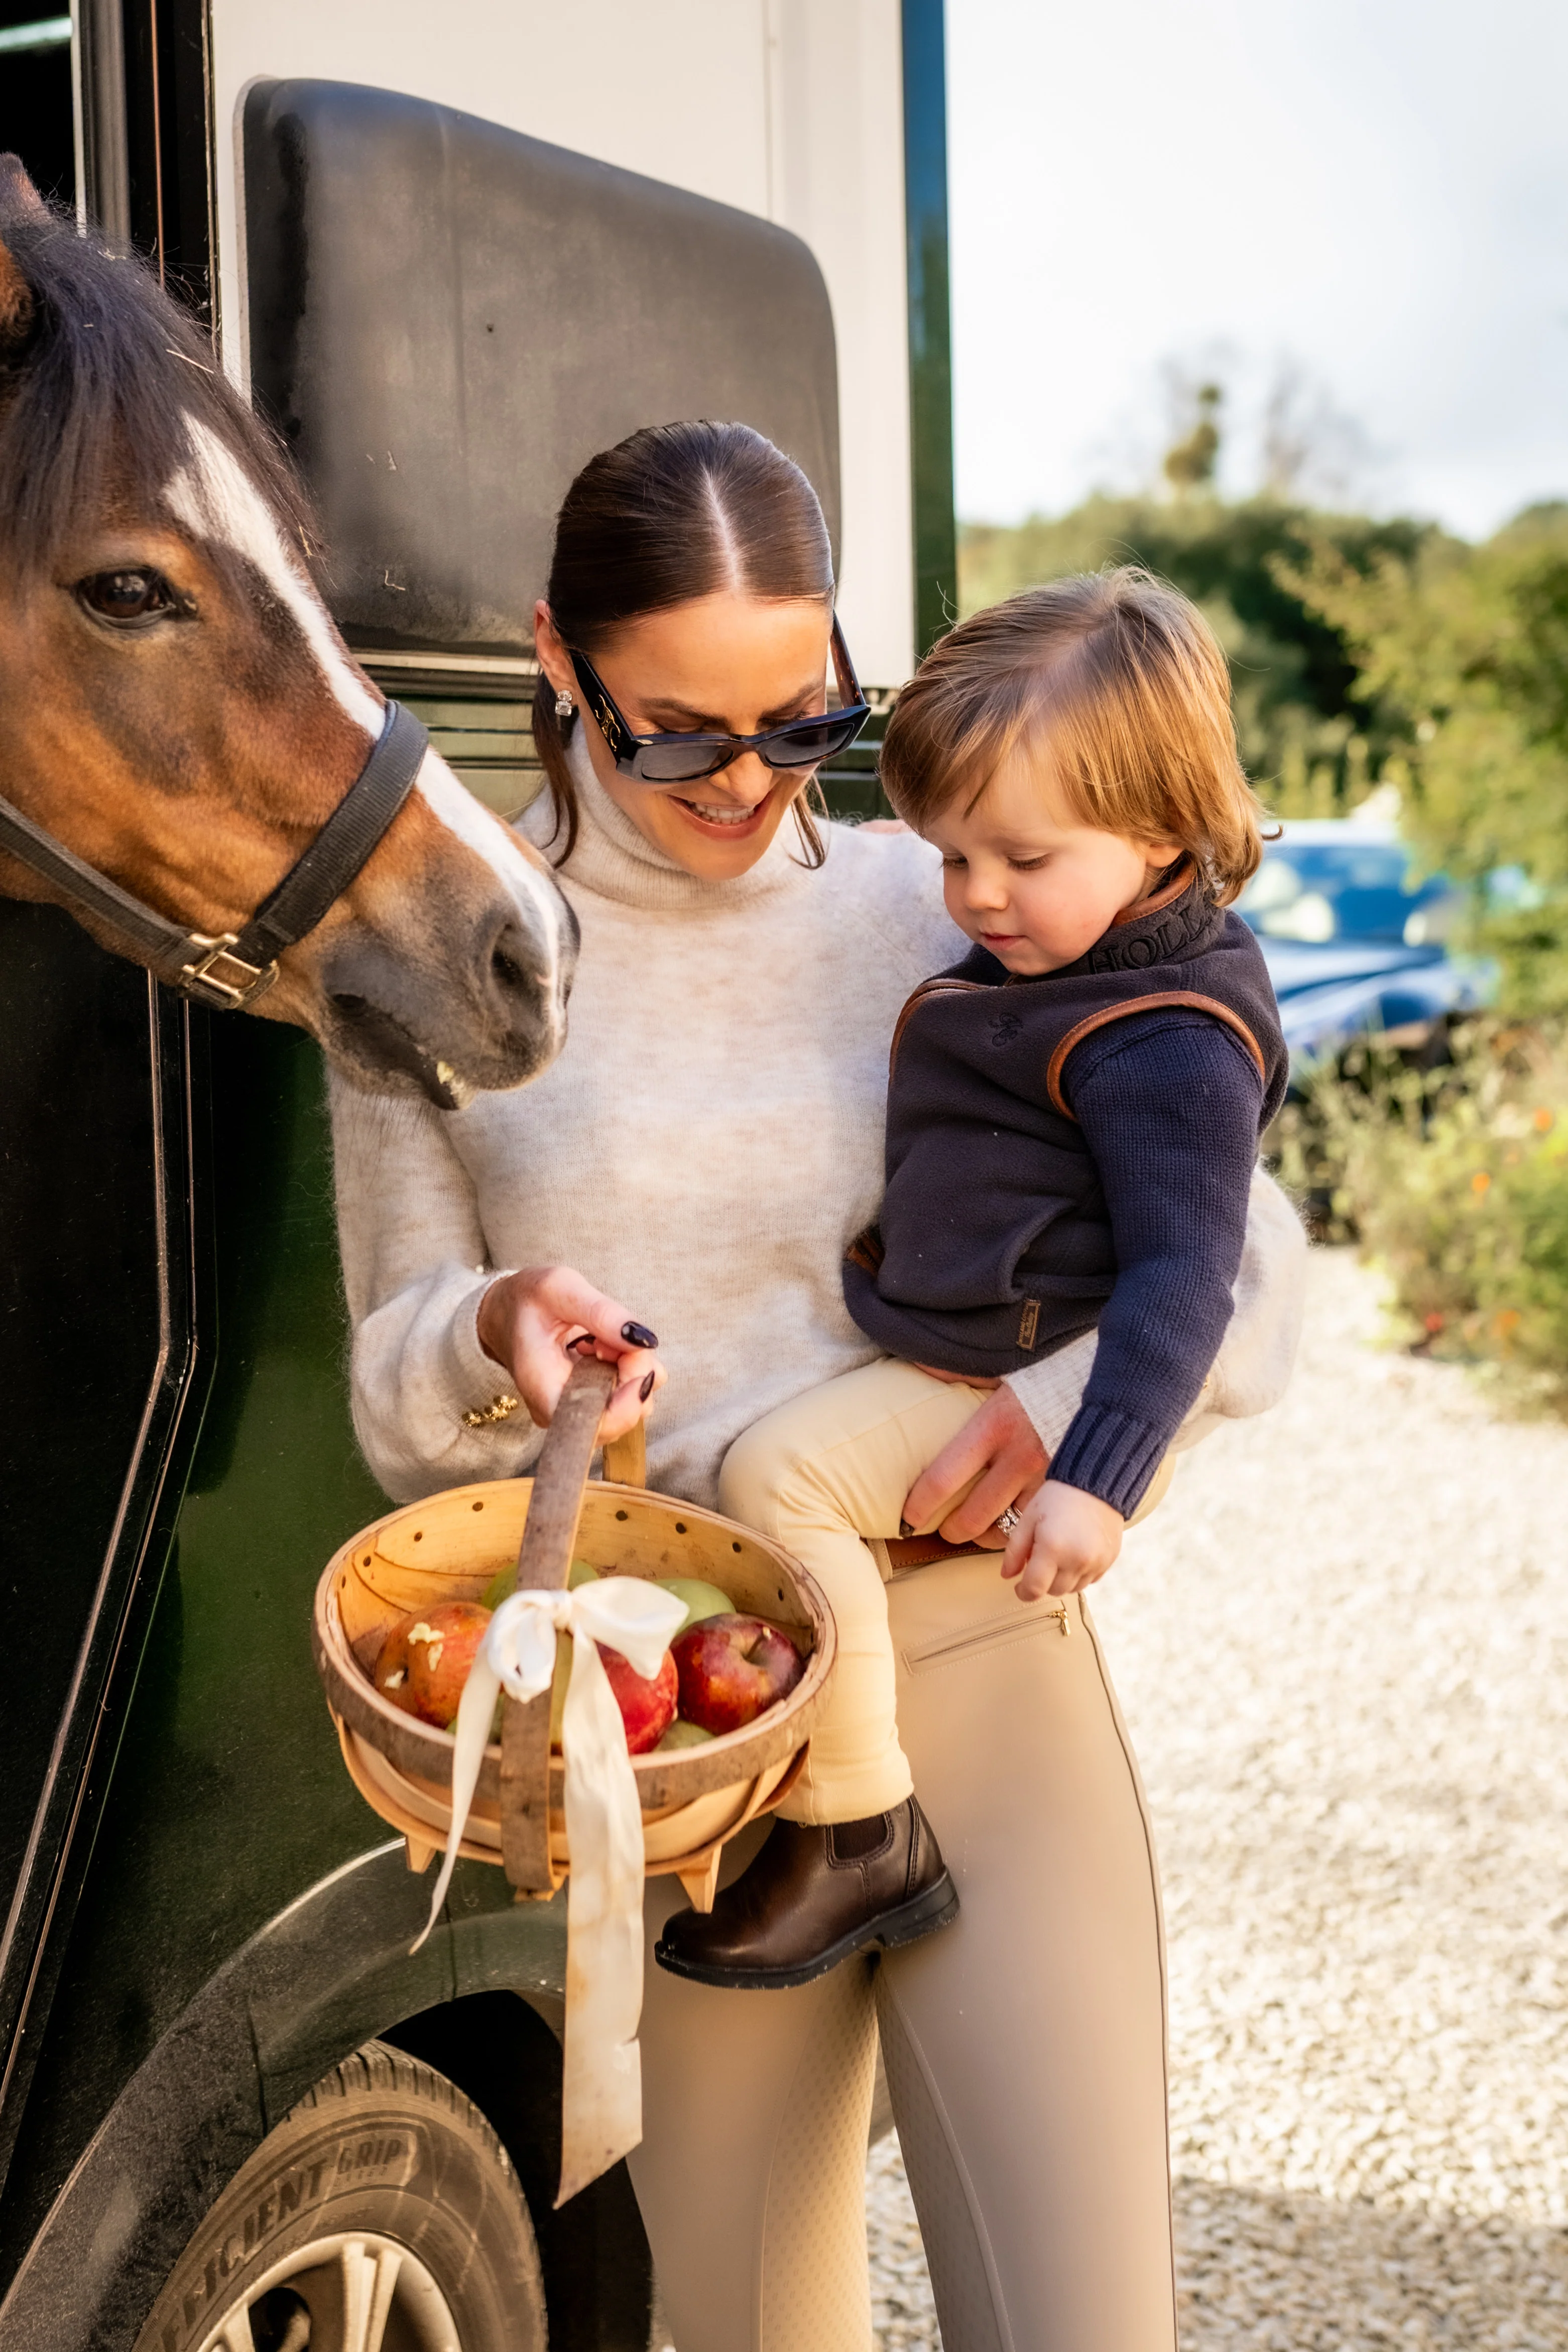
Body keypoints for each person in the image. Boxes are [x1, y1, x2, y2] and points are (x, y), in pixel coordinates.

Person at [332, 421, 1305, 2352]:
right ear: (558, 658)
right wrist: (489, 1328)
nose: (754, 778)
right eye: (681, 731)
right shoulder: (445, 955)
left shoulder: (936, 896)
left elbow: (1250, 1263)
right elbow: (393, 1373)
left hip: (979, 1660)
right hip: (695, 1744)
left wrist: (1075, 1411)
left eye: (804, 713)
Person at [655, 572, 1291, 1993]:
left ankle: (858, 1825)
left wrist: (1095, 1473)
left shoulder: (1168, 1040)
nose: (979, 897)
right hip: (956, 1333)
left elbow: (1194, 1271)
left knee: (782, 1482)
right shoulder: (1081, 938)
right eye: (952, 859)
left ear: (1163, 831)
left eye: (1020, 857)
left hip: (999, 1367)